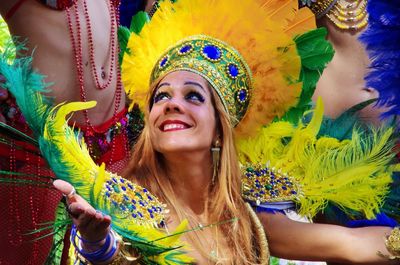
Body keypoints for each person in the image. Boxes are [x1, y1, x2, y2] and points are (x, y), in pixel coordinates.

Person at [47, 0, 400, 264]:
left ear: (221, 130)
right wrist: (97, 244)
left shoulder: (248, 224)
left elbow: (358, 245)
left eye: (193, 96)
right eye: (161, 96)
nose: (171, 104)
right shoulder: (126, 206)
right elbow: (115, 250)